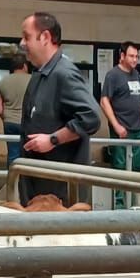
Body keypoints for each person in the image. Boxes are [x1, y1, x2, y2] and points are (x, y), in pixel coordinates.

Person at [16, 11, 101, 204]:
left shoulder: (64, 75)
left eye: (27, 37)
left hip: (59, 196)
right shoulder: (41, 74)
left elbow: (91, 117)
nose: (22, 43)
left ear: (45, 37)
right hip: (38, 188)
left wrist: (53, 140)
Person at [99, 41, 140, 209]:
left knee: (138, 168)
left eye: (137, 56)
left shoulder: (136, 74)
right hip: (122, 129)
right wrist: (116, 125)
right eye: (132, 56)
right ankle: (119, 207)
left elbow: (138, 98)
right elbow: (104, 101)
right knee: (120, 169)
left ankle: (135, 204)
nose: (135, 60)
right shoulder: (113, 75)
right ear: (122, 56)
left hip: (139, 128)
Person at [0, 54, 30, 167]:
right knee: (28, 154)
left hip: (10, 122)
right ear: (24, 66)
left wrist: (4, 116)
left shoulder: (3, 81)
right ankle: (25, 182)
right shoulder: (33, 80)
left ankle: (12, 183)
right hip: (27, 122)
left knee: (13, 154)